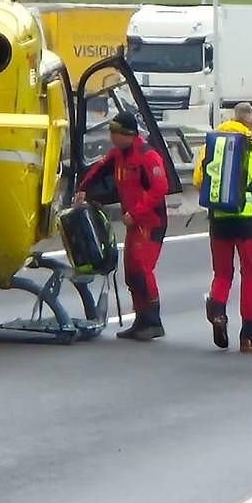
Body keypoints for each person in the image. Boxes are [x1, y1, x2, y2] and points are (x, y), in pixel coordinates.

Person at [192, 102, 252, 353]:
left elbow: (197, 181)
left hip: (219, 218)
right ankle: (247, 336)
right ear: (251, 123)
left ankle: (217, 308)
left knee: (222, 273)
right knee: (250, 276)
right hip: (247, 221)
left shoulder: (211, 144)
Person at [74, 111, 168, 341]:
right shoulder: (118, 154)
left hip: (150, 221)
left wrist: (136, 213)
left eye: (115, 133)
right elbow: (99, 169)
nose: (111, 138)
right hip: (133, 222)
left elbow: (159, 188)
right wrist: (83, 188)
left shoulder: (148, 156)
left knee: (142, 269)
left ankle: (153, 320)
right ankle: (141, 319)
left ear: (127, 134)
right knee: (131, 273)